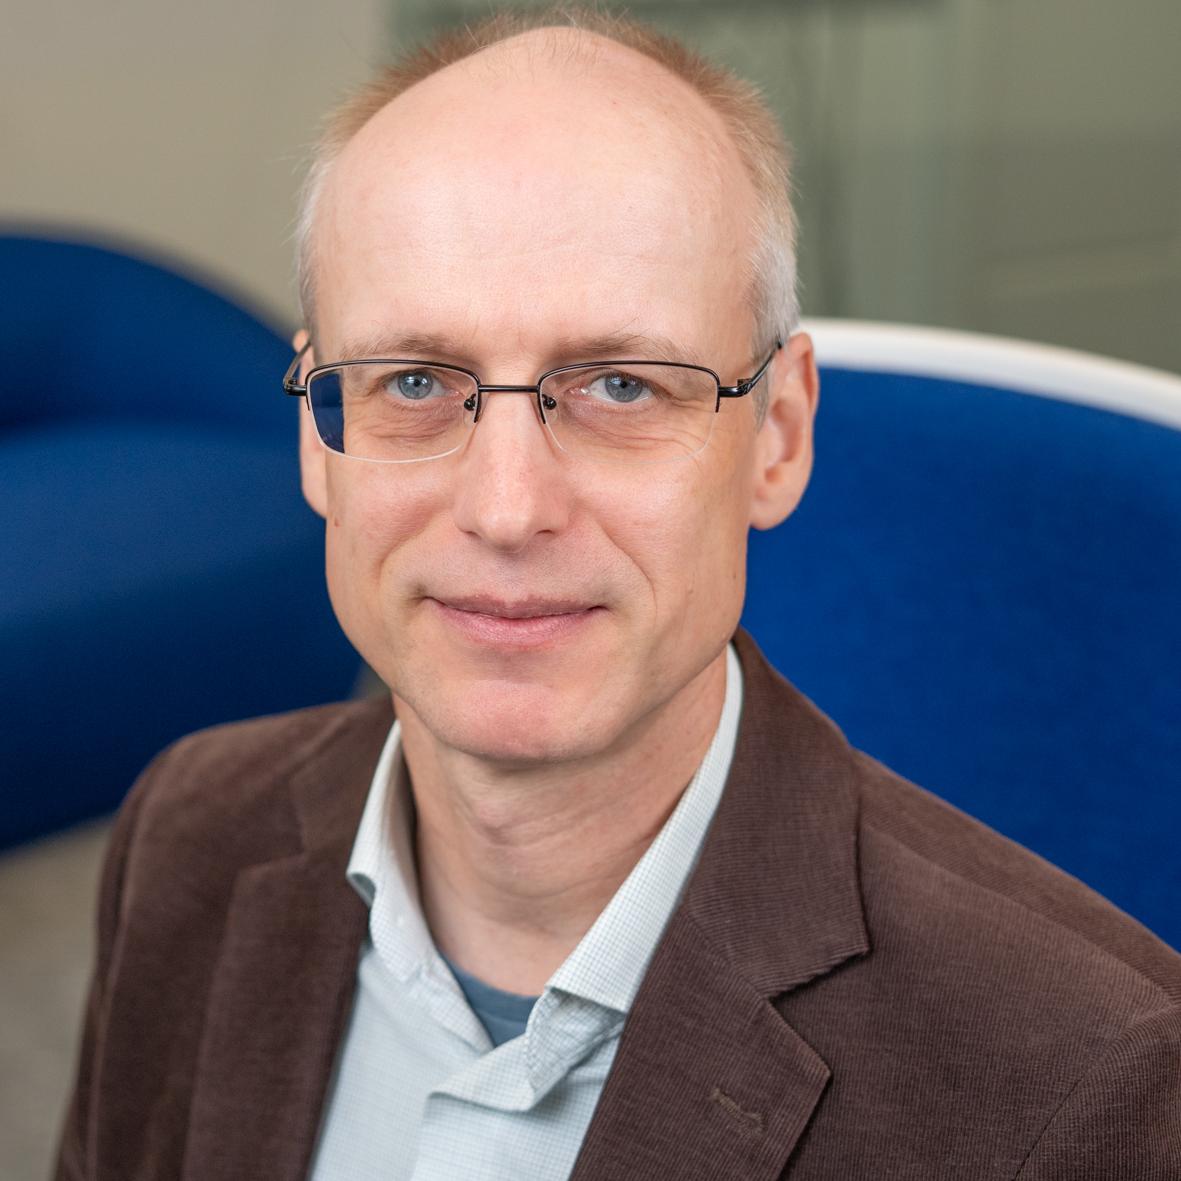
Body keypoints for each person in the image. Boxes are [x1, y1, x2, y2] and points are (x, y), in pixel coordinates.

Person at [56, 8, 1180, 1180]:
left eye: (619, 385)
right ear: (314, 438)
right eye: (412, 380)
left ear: (776, 436)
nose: (504, 507)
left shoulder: (1089, 1083)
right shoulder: (188, 833)